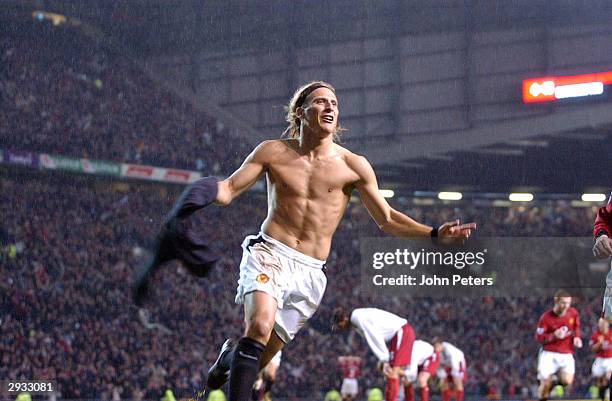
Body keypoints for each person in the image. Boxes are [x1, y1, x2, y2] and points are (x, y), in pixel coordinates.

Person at [134, 81, 475, 401]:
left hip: (311, 273)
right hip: (269, 253)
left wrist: (432, 233)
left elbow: (386, 219)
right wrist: (194, 198)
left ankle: (227, 359)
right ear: (300, 112)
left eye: (335, 104)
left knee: (260, 353)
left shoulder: (353, 166)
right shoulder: (272, 152)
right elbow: (227, 190)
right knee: (259, 326)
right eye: (321, 102)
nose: (330, 108)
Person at [332, 307, 419, 401]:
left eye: (339, 325)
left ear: (344, 319)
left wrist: (384, 359)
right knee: (391, 372)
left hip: (401, 332)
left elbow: (374, 335)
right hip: (397, 336)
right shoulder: (356, 319)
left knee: (392, 372)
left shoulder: (357, 318)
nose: (341, 328)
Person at [535, 289, 583, 401]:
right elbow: (538, 337)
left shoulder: (573, 313)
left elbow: (576, 327)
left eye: (568, 303)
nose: (566, 306)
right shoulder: (546, 318)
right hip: (549, 354)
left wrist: (576, 337)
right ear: (556, 301)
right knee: (544, 386)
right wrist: (553, 335)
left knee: (567, 381)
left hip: (566, 353)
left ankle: (553, 382)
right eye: (563, 303)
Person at [590, 318, 612, 401]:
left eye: (603, 324)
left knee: (608, 376)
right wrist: (599, 343)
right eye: (600, 324)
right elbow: (592, 349)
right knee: (600, 382)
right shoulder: (595, 335)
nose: (601, 326)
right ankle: (602, 396)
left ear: (607, 324)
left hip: (610, 359)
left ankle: (607, 392)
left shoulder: (611, 333)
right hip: (599, 360)